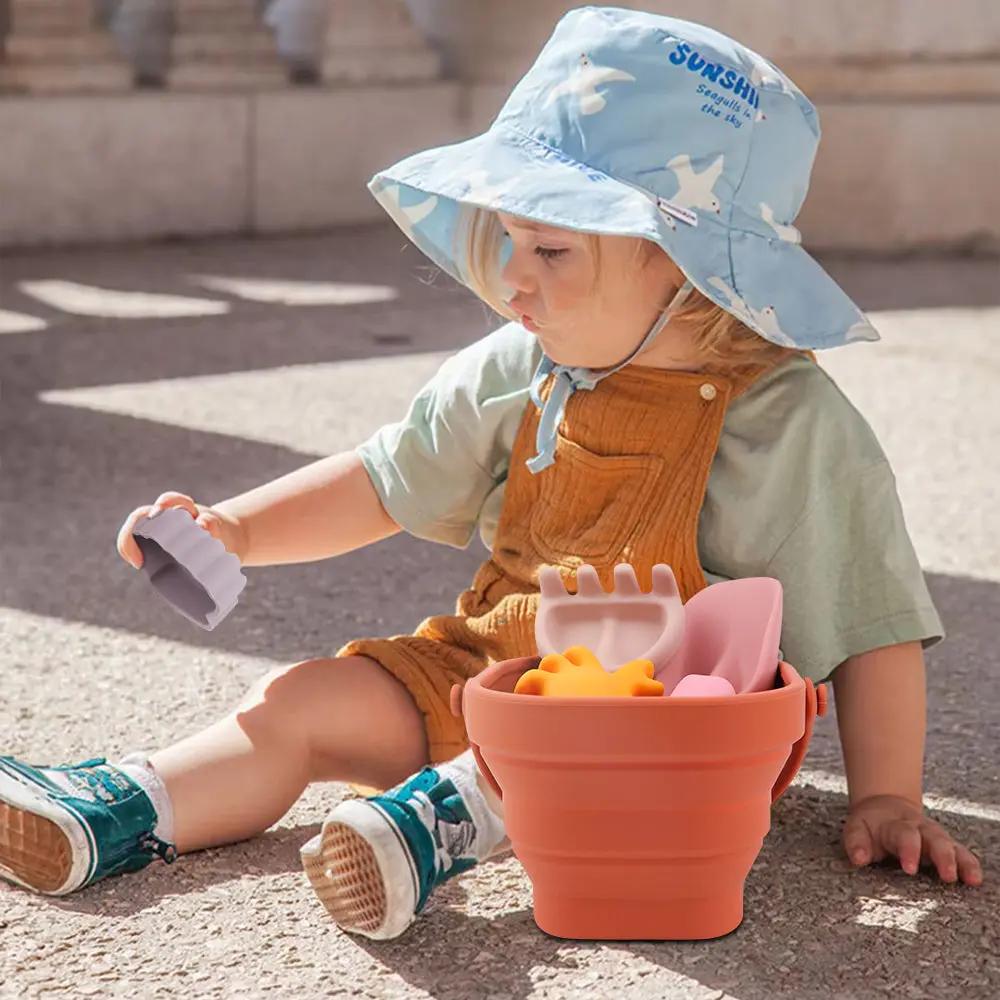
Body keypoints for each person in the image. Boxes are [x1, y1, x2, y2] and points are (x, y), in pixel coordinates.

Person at [0, 7, 983, 938]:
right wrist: (238, 529)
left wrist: (887, 794)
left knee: (599, 702)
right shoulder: (522, 365)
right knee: (306, 701)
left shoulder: (792, 426)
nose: (511, 278)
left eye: (551, 248)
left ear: (687, 267)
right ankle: (127, 806)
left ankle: (450, 817)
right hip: (487, 668)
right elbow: (383, 478)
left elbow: (872, 624)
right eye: (510, 240)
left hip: (669, 729)